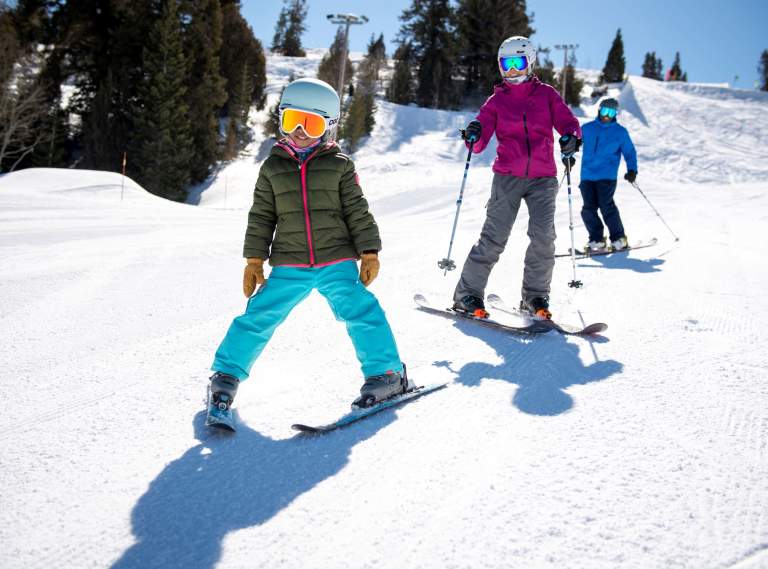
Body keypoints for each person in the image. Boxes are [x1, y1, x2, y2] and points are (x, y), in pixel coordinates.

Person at [208, 78, 408, 417]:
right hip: (289, 263)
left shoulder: (340, 165)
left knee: (362, 311)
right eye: (292, 121)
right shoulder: (272, 168)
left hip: (336, 260)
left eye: (311, 123)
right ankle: (225, 376)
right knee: (258, 317)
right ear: (282, 120)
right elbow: (261, 216)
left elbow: (357, 210)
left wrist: (369, 250)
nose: (300, 131)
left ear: (328, 128)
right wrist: (254, 260)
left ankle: (387, 374)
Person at [453, 36, 582, 320]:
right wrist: (473, 134)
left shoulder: (546, 94)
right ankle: (467, 294)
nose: (511, 70)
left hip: (543, 178)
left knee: (543, 238)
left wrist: (572, 137)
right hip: (507, 177)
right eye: (505, 64)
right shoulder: (497, 100)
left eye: (517, 63)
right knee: (494, 237)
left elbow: (567, 122)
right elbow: (481, 135)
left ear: (530, 62)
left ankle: (534, 296)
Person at [579, 97, 638, 252]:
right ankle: (597, 239)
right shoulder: (587, 128)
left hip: (606, 176)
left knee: (607, 207)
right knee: (588, 209)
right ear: (599, 110)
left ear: (615, 114)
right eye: (605, 110)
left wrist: (632, 169)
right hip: (587, 176)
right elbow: (575, 140)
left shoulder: (620, 132)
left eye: (611, 112)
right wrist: (570, 149)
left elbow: (630, 152)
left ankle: (619, 238)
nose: (607, 115)